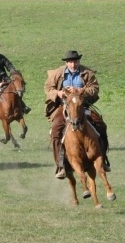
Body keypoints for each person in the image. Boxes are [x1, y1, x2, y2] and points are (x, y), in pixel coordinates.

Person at [44, 50, 110, 179]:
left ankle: (103, 159)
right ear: (66, 63)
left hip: (82, 106)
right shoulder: (58, 73)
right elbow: (48, 88)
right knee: (56, 130)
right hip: (63, 107)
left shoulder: (87, 73)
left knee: (101, 126)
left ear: (78, 61)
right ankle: (61, 165)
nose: (73, 65)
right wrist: (59, 93)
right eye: (70, 62)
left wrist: (82, 91)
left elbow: (95, 89)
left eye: (75, 62)